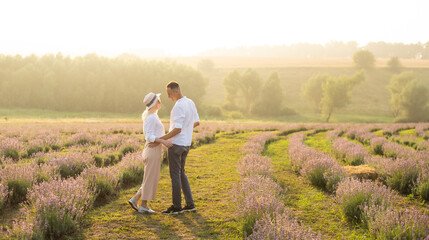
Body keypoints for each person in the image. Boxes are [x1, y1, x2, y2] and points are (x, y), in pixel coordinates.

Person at [157, 81, 200, 215]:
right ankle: (190, 204)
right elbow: (197, 122)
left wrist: (162, 139)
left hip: (176, 145)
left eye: (169, 94)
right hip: (186, 144)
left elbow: (177, 129)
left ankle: (176, 206)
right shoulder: (190, 102)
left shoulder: (178, 106)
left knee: (175, 175)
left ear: (176, 91)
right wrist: (187, 129)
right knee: (182, 174)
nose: (169, 97)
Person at [128, 92, 172, 214]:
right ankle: (143, 205)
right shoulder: (151, 117)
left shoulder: (153, 116)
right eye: (159, 101)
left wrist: (161, 142)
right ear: (154, 103)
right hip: (152, 150)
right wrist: (163, 141)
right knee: (150, 179)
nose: (160, 103)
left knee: (150, 178)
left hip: (154, 149)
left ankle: (136, 199)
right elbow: (149, 136)